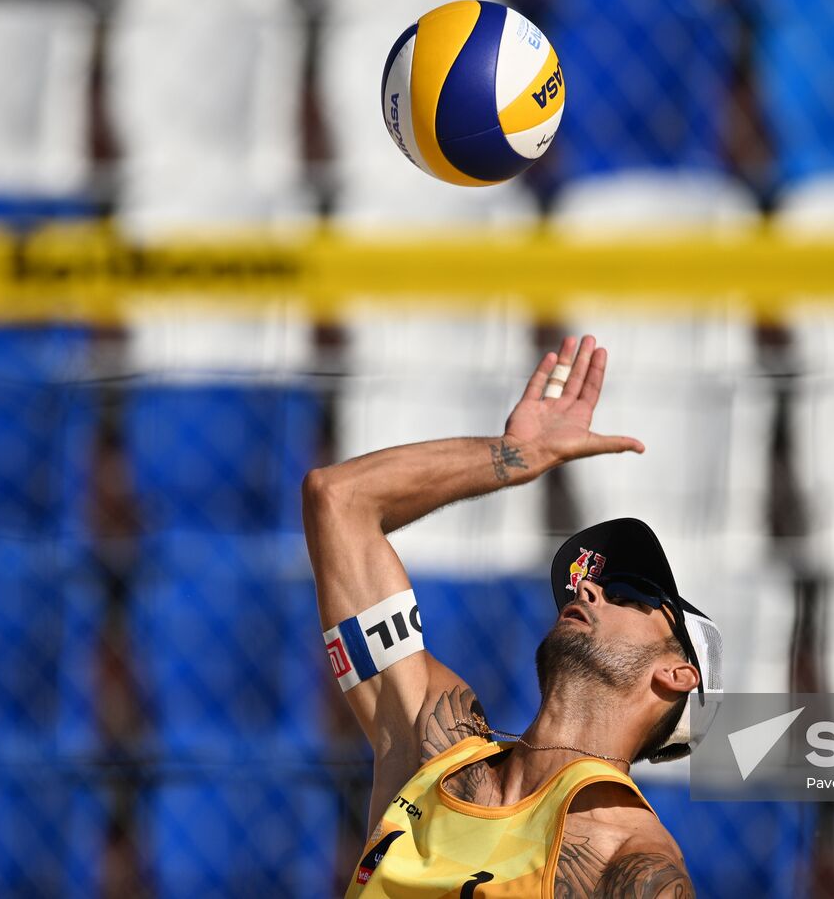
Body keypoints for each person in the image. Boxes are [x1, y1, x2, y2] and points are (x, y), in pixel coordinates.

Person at [302, 335, 722, 897]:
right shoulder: (433, 741)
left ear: (677, 673)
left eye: (630, 594)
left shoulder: (631, 859)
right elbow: (338, 498)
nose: (592, 590)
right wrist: (512, 457)